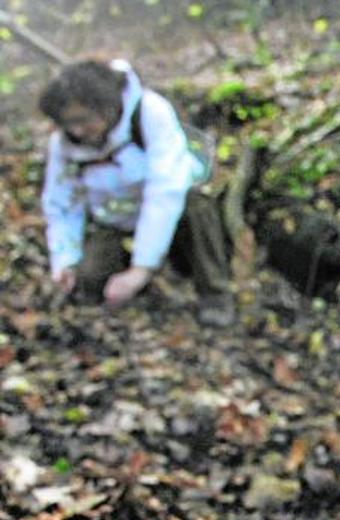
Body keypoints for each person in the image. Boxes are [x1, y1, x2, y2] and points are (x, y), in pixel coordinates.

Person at [38, 59, 235, 326]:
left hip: (175, 207)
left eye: (83, 120)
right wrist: (65, 261)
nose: (76, 131)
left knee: (197, 204)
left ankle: (215, 293)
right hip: (114, 217)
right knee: (87, 286)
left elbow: (165, 190)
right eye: (68, 123)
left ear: (105, 107)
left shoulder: (150, 112)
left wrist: (141, 269)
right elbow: (62, 204)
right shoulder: (63, 144)